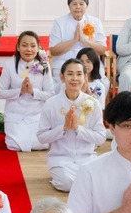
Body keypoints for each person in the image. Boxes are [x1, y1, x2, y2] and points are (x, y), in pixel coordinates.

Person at [36, 57, 106, 191]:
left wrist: (77, 129)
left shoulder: (93, 104)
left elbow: (101, 137)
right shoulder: (51, 104)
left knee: (98, 184)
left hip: (87, 158)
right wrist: (63, 128)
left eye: (79, 74)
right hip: (61, 159)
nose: (75, 78)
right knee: (68, 184)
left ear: (85, 77)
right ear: (62, 77)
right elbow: (41, 137)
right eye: (70, 74)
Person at [0, 32, 54, 152]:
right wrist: (19, 92)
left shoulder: (44, 65)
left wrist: (33, 92)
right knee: (14, 146)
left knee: (40, 145)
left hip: (36, 115)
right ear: (18, 47)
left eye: (33, 46)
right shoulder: (9, 65)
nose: (29, 49)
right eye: (24, 45)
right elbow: (0, 92)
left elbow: (50, 94)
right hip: (15, 115)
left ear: (38, 48)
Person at [50, 0, 104, 65]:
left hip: (89, 63)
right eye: (74, 4)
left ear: (87, 6)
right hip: (64, 62)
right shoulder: (59, 22)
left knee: (98, 76)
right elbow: (53, 51)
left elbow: (102, 50)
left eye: (81, 4)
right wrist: (74, 40)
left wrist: (84, 41)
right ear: (69, 6)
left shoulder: (96, 22)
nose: (78, 7)